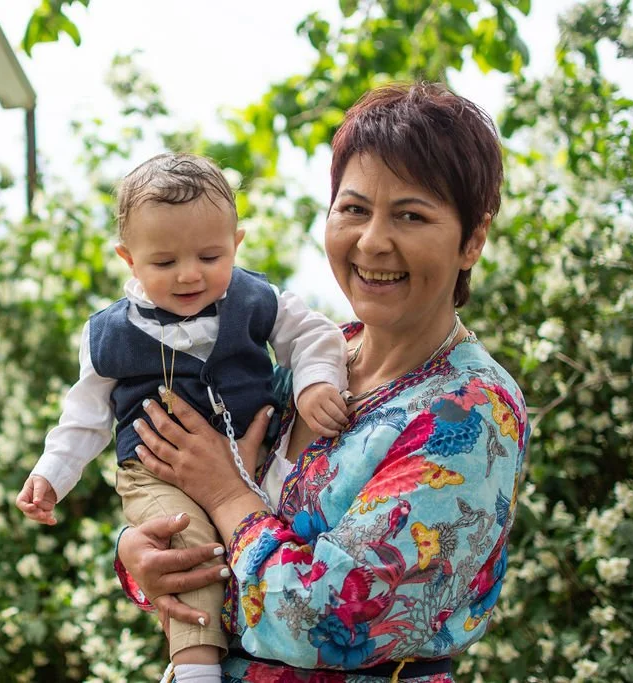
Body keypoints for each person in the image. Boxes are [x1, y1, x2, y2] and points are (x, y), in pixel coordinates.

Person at [115, 83, 530, 682]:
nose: (372, 241)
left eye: (411, 215)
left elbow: (331, 620)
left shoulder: (467, 414)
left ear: (472, 239)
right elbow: (181, 506)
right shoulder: (307, 360)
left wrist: (228, 495)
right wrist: (140, 555)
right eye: (354, 209)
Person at [15, 153, 352, 682]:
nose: (190, 274)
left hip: (250, 463)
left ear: (236, 245)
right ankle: (195, 671)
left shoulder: (252, 298)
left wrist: (314, 383)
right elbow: (84, 416)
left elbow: (314, 334)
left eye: (210, 255)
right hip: (155, 471)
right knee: (188, 543)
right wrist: (51, 475)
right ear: (130, 260)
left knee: (263, 532)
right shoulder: (110, 333)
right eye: (165, 263)